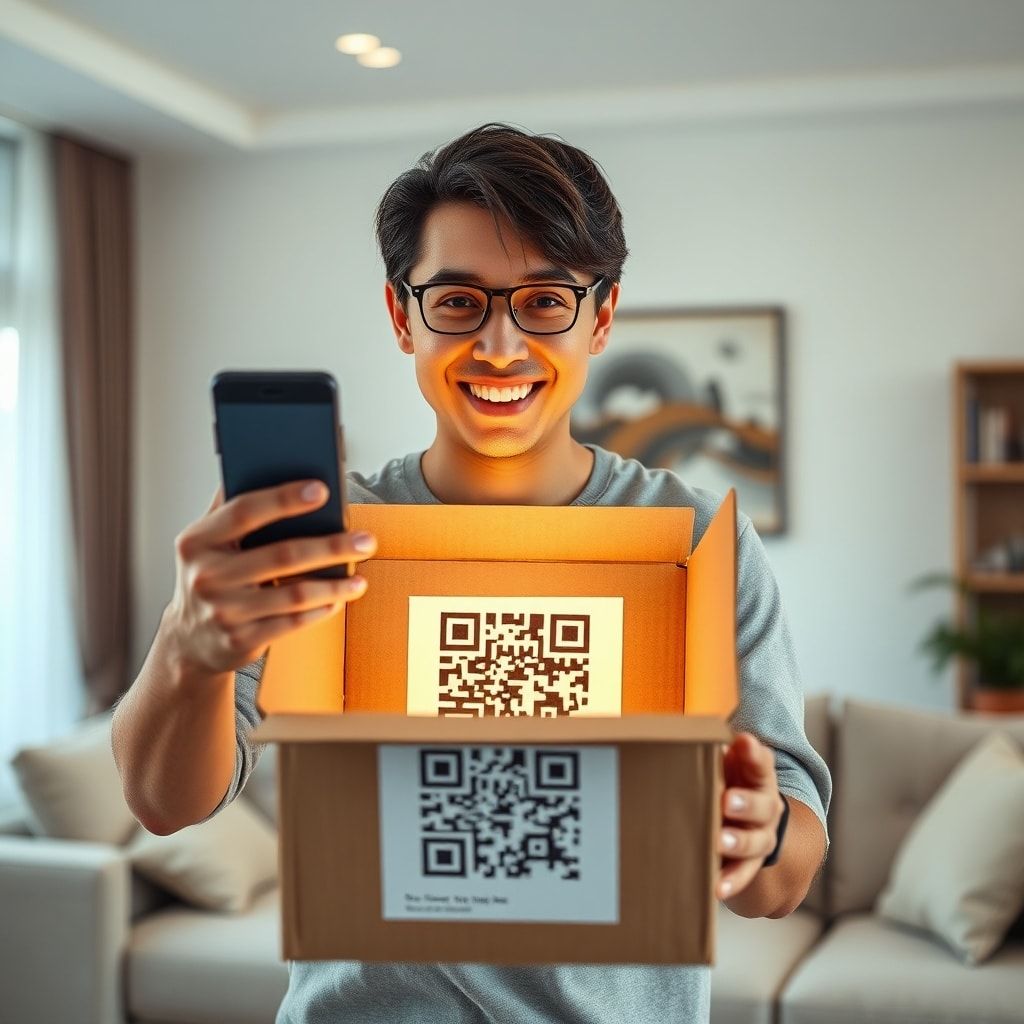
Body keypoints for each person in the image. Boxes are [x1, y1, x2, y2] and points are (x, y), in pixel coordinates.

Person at [113, 123, 830, 1024]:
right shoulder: (329, 537)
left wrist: (756, 836)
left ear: (601, 317)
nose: (499, 346)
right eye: (458, 301)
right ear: (400, 315)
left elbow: (782, 880)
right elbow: (163, 804)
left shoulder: (691, 540)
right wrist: (190, 648)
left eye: (543, 301)